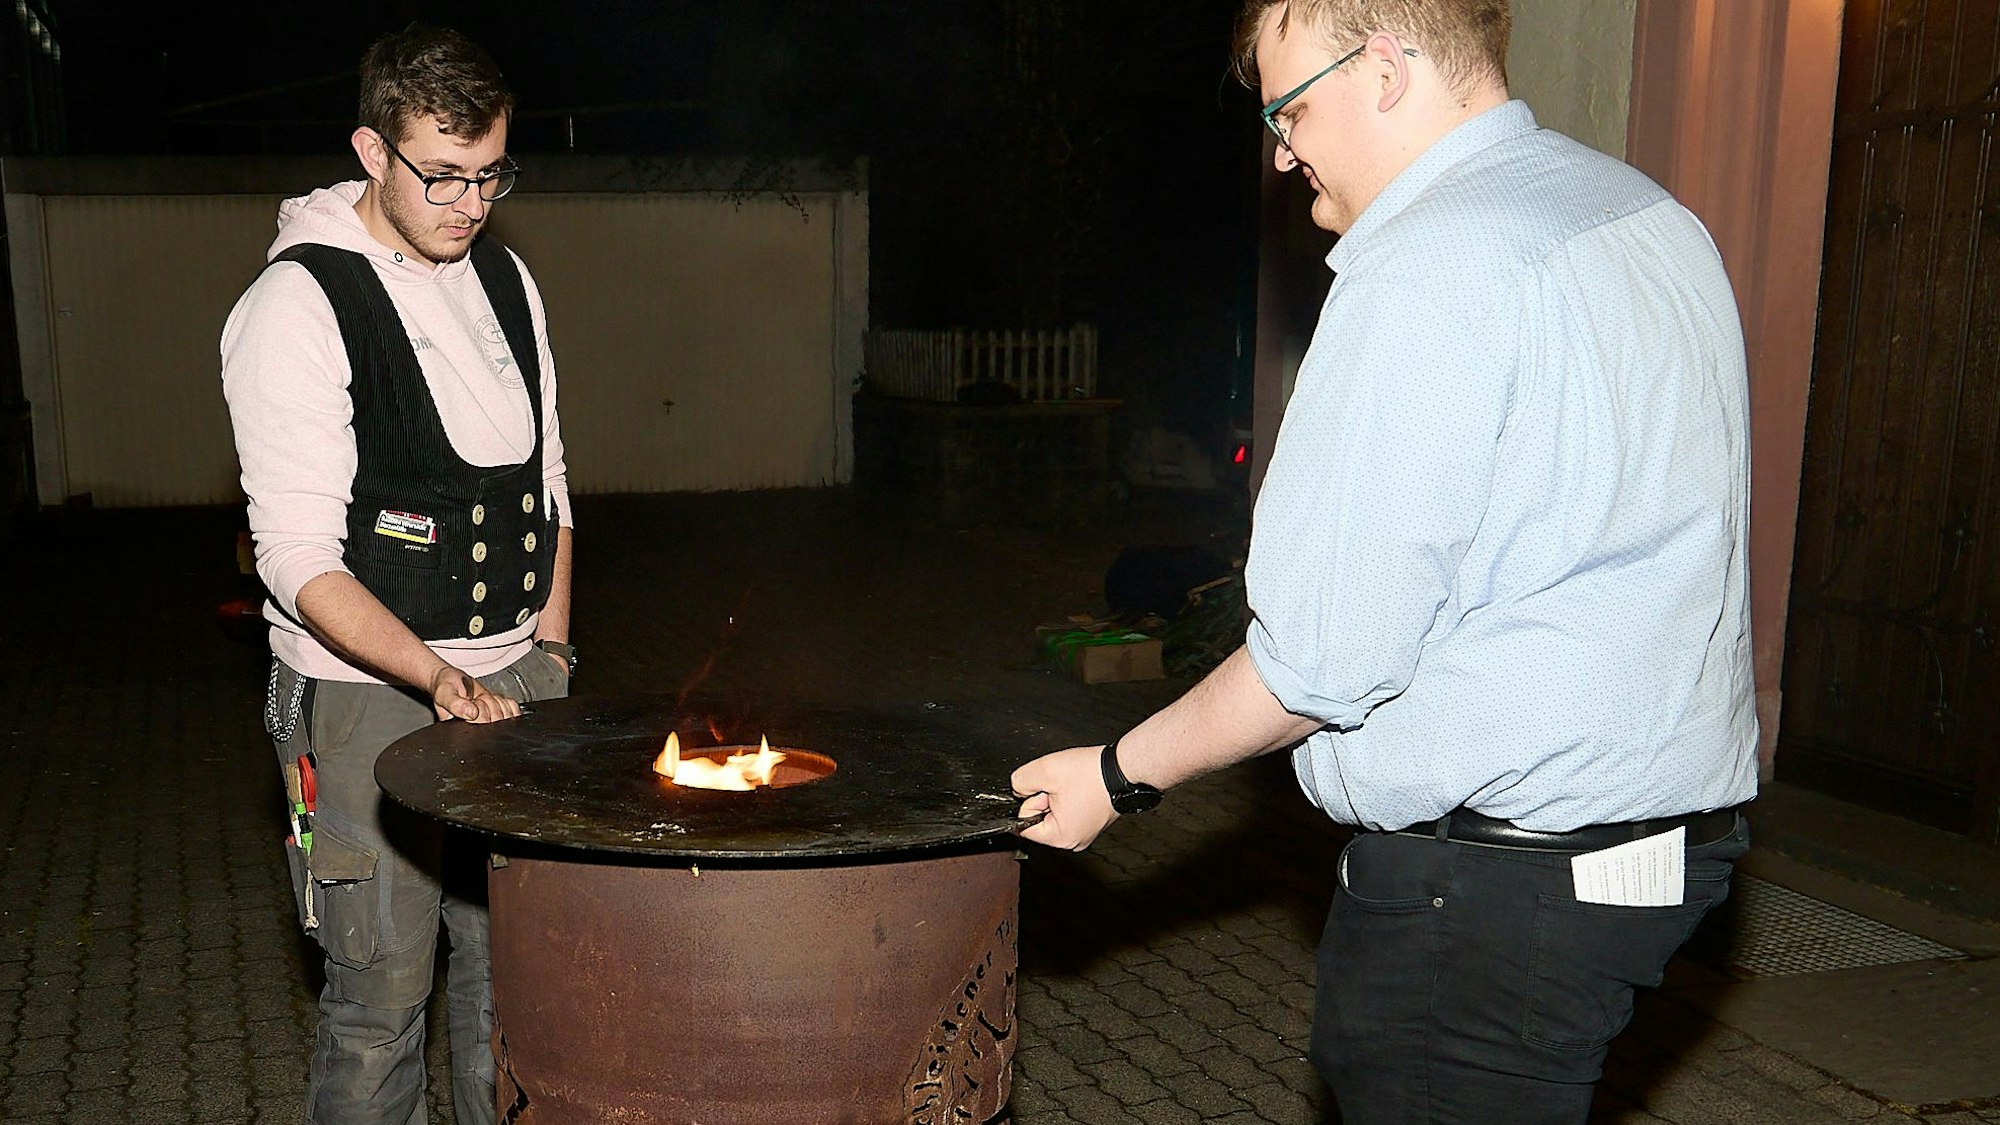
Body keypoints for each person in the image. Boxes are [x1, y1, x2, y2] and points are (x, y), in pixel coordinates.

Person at [1011, 2, 1759, 1122]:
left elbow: (1317, 662)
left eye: (1290, 106)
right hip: (1661, 854)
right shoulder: (1641, 213)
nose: (1280, 146)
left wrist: (1113, 775)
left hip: (1493, 898)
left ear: (1388, 66)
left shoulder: (1426, 267)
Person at [221, 25, 574, 1125]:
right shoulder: (294, 306)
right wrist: (434, 678)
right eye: (442, 176)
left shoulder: (506, 278)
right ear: (372, 153)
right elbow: (293, 559)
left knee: (503, 988)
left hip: (516, 681)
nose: (470, 204)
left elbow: (550, 482)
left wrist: (551, 651)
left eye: (490, 174)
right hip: (366, 699)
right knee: (378, 1009)